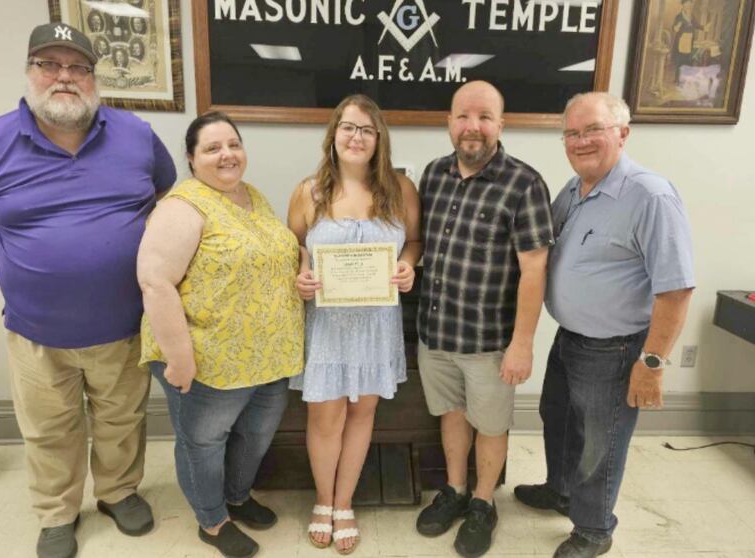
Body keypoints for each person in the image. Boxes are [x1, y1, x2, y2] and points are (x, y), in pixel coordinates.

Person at [0, 22, 176, 558]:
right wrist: (23, 236)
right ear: (30, 72)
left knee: (121, 420)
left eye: (78, 68)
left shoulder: (137, 135)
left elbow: (164, 199)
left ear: (94, 78)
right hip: (35, 329)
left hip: (122, 324)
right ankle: (56, 511)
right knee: (49, 429)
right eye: (49, 65)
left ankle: (118, 492)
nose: (64, 78)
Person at [514, 92, 694, 558]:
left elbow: (676, 289)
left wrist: (651, 363)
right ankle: (562, 491)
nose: (580, 141)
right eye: (571, 133)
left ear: (622, 133)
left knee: (600, 444)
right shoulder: (573, 190)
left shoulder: (650, 195)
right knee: (558, 419)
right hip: (569, 337)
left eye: (592, 129)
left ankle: (594, 530)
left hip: (614, 349)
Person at [138, 111, 304, 558]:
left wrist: (304, 262)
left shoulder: (252, 196)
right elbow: (155, 282)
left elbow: (278, 249)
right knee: (204, 442)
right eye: (212, 148)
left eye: (233, 144)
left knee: (255, 435)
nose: (226, 154)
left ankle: (237, 497)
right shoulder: (182, 207)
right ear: (192, 159)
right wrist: (179, 358)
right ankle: (211, 521)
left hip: (269, 356)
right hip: (206, 358)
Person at [414, 80, 554, 558]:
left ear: (501, 123)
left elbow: (535, 269)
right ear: (449, 122)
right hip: (436, 334)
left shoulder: (524, 183)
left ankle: (482, 502)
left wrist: (523, 343)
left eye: (484, 117)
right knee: (452, 416)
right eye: (463, 116)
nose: (473, 127)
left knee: (491, 425)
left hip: (491, 341)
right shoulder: (432, 175)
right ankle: (454, 490)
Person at [287, 94, 422, 555]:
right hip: (326, 323)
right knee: (326, 417)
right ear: (334, 133)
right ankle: (323, 501)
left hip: (376, 323)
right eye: (348, 127)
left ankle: (344, 503)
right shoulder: (310, 191)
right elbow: (296, 246)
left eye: (367, 129)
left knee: (363, 412)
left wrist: (408, 264)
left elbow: (415, 241)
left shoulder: (400, 189)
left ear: (379, 138)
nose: (356, 137)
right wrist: (301, 273)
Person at [672, 0, 705, 83]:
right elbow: (674, 28)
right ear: (683, 5)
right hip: (681, 41)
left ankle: (685, 79)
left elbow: (696, 25)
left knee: (687, 60)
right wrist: (676, 28)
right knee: (680, 61)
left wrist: (704, 28)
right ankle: (677, 80)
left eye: (690, 4)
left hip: (689, 41)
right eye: (686, 4)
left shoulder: (691, 16)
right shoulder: (679, 16)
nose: (688, 6)